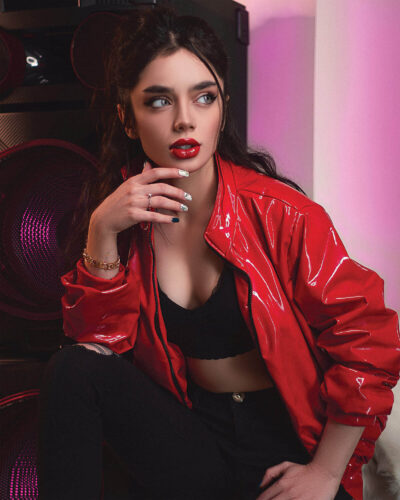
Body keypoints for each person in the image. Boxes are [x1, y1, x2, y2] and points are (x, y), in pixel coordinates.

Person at [37, 5, 400, 500]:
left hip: (287, 447)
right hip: (193, 441)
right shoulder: (122, 220)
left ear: (222, 106)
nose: (185, 120)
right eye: (159, 101)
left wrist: (325, 472)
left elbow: (369, 343)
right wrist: (102, 231)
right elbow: (101, 351)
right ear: (127, 118)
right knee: (71, 369)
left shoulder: (282, 213)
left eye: (203, 97)